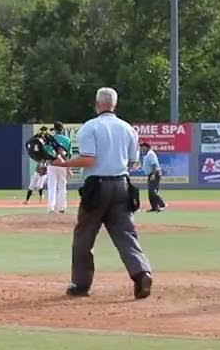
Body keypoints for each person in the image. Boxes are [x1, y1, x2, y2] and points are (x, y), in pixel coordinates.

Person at [51, 87, 153, 299]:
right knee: (126, 234)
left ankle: (81, 285)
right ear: (114, 104)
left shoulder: (90, 127)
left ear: (97, 104)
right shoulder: (128, 129)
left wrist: (64, 163)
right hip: (122, 185)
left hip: (97, 186)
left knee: (84, 236)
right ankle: (142, 273)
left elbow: (89, 159)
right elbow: (133, 162)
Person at [46, 121, 71, 214]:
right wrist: (69, 168)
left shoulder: (50, 139)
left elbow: (47, 152)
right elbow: (68, 155)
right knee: (62, 186)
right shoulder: (67, 139)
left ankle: (51, 208)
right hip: (63, 164)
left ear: (55, 129)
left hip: (52, 163)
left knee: (52, 186)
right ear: (62, 129)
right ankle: (62, 207)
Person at [140, 142, 166, 212]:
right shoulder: (147, 154)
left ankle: (162, 205)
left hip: (154, 174)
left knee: (152, 191)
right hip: (150, 174)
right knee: (151, 192)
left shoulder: (150, 154)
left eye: (143, 147)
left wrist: (153, 174)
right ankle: (154, 207)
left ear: (146, 147)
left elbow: (154, 164)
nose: (141, 148)